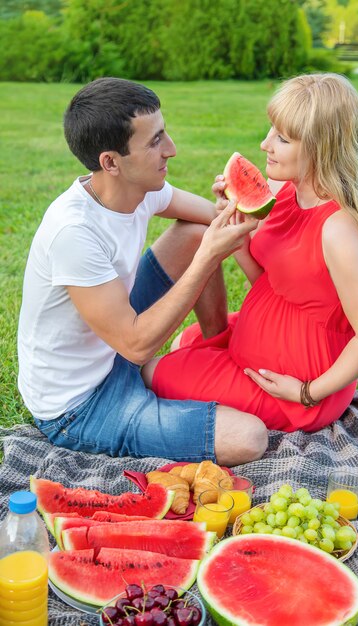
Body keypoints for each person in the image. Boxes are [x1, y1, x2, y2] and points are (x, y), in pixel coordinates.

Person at [17, 77, 269, 466]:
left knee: (195, 234)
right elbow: (134, 345)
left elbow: (211, 220)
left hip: (114, 341)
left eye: (164, 133)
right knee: (249, 438)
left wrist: (232, 205)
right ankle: (154, 384)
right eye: (154, 142)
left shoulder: (142, 189)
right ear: (111, 162)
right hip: (81, 406)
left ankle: (216, 347)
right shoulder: (74, 233)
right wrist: (207, 257)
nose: (171, 149)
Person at [142, 73, 358, 433]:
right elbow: (272, 283)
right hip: (261, 349)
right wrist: (239, 227)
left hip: (295, 391)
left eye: (282, 138)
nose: (264, 145)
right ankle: (220, 358)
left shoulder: (338, 229)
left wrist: (307, 392)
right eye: (270, 130)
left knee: (153, 371)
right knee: (185, 342)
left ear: (320, 147)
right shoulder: (286, 191)